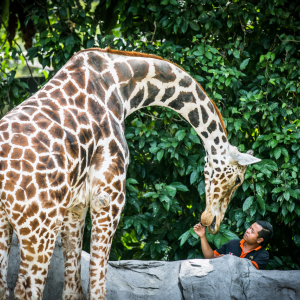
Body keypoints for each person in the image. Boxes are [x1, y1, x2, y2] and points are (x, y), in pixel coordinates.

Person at [193, 220, 273, 270]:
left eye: (252, 231)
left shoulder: (263, 255)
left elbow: (248, 270)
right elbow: (210, 257)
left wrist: (227, 259)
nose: (248, 230)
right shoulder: (232, 243)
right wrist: (202, 236)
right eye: (249, 227)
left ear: (259, 240)